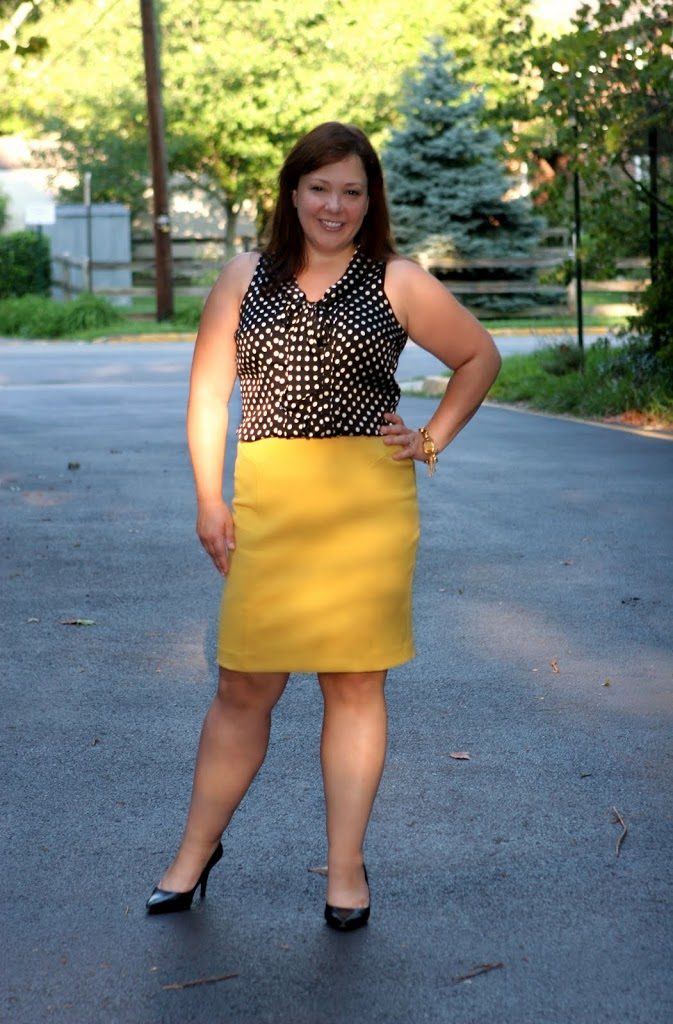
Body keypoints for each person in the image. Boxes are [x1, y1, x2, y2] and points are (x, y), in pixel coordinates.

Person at [146, 121, 501, 930]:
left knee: (353, 683)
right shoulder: (244, 276)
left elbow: (477, 357)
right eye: (318, 188)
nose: (333, 205)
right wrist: (210, 499)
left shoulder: (397, 281)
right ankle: (193, 854)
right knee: (244, 684)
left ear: (369, 200)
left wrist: (430, 441)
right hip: (270, 501)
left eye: (350, 190)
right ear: (291, 193)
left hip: (366, 509)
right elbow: (207, 398)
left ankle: (345, 869)